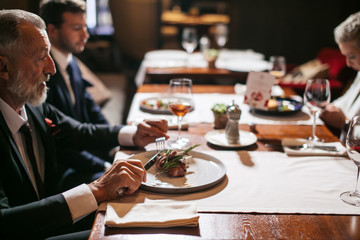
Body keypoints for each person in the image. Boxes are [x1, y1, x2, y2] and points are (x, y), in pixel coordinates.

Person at [0, 9, 168, 239]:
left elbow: (79, 131)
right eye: (41, 58)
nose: (52, 68)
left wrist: (133, 134)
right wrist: (96, 189)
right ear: (3, 68)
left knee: (144, 213)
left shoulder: (32, 105)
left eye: (50, 55)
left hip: (52, 219)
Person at [39, 0, 114, 190]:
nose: (85, 35)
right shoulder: (44, 75)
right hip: (66, 172)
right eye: (76, 28)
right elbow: (59, 144)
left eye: (85, 27)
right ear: (52, 31)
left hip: (87, 156)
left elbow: (91, 109)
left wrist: (114, 146)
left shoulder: (71, 62)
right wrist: (105, 166)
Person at [320, 11, 360, 141]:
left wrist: (345, 123)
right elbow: (346, 101)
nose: (348, 63)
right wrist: (327, 107)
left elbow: (345, 120)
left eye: (352, 56)